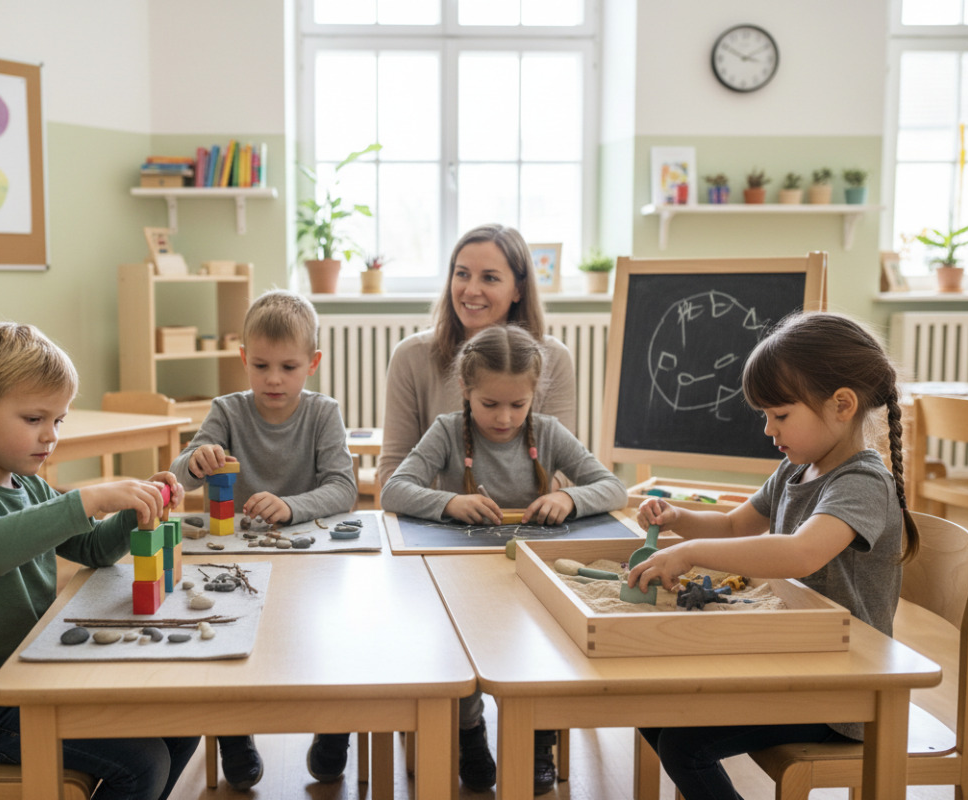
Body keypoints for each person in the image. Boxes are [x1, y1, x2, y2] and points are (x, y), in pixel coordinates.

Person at [630, 311, 920, 800]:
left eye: (780, 415)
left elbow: (800, 553)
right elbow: (732, 524)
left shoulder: (863, 483)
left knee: (683, 746)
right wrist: (677, 519)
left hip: (841, 692)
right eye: (765, 416)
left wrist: (695, 553)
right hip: (791, 660)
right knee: (651, 710)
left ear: (842, 405)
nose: (769, 430)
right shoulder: (795, 468)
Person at [0, 322, 199, 800]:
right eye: (33, 419)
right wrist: (86, 498)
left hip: (36, 678)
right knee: (144, 764)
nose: (51, 436)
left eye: (59, 421)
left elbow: (91, 549)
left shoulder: (28, 486)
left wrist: (136, 509)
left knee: (182, 722)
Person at [382, 324, 627, 794]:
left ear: (535, 394)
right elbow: (394, 487)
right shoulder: (448, 432)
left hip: (533, 574)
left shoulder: (549, 432)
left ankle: (538, 739)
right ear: (466, 390)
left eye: (519, 404)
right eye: (490, 404)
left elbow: (612, 485)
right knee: (463, 652)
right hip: (463, 575)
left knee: (545, 647)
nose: (505, 418)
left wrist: (571, 500)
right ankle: (470, 735)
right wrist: (448, 503)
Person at [170, 289, 358, 789]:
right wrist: (195, 462)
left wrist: (292, 506)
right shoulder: (227, 412)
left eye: (289, 367)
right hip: (237, 555)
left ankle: (334, 728)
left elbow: (344, 488)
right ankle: (234, 735)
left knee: (330, 641)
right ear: (243, 360)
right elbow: (179, 477)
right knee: (226, 636)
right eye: (261, 365)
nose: (274, 379)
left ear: (313, 363)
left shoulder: (323, 413)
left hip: (312, 556)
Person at [378, 223, 578, 488]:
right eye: (462, 274)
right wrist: (447, 507)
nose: (471, 290)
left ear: (518, 289)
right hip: (438, 520)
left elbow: (566, 469)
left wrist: (526, 507)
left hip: (526, 521)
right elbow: (393, 468)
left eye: (490, 278)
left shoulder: (554, 358)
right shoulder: (410, 356)